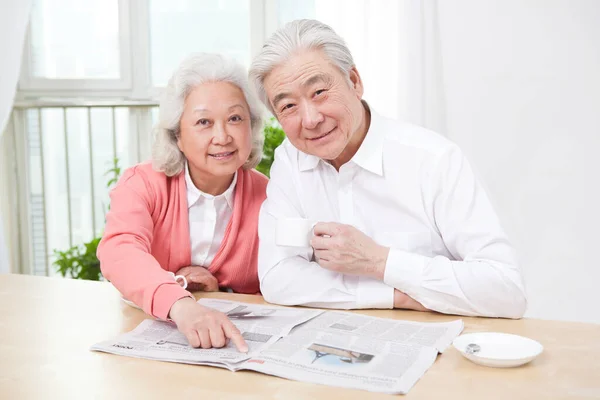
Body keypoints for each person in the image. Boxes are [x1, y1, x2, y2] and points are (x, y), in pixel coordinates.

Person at [250, 19, 527, 318]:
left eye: (318, 92)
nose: (310, 119)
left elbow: (505, 290)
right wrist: (395, 295)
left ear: (354, 81)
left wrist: (379, 261)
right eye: (288, 106)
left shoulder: (434, 159)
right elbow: (278, 277)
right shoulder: (291, 159)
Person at [98, 53, 268, 351]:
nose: (223, 136)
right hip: (148, 336)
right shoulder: (142, 184)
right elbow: (119, 251)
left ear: (251, 127)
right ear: (177, 134)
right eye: (204, 121)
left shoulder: (269, 195)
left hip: (238, 344)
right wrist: (180, 302)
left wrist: (221, 288)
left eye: (235, 118)